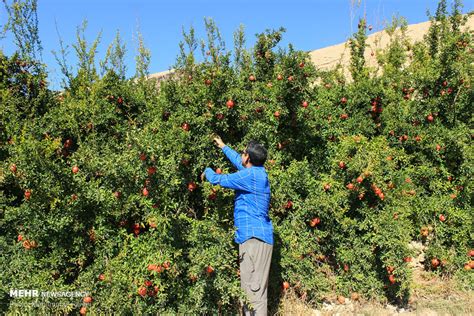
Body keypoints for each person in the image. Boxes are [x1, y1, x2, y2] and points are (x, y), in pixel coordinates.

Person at [202, 136, 273, 316]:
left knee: (253, 291)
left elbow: (221, 180)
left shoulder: (250, 176)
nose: (241, 154)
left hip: (253, 240)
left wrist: (207, 171)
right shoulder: (257, 173)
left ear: (248, 157)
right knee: (253, 289)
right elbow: (239, 163)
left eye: (243, 152)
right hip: (258, 238)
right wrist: (223, 146)